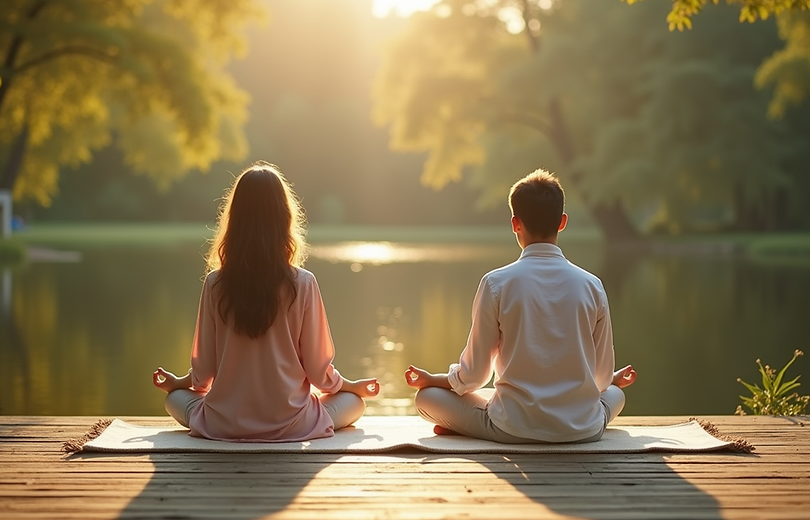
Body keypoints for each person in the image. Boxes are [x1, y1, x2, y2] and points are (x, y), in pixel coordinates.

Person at [404, 168, 636, 444]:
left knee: (427, 398)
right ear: (562, 222)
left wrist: (434, 379)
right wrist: (611, 379)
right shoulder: (592, 285)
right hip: (583, 429)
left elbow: (475, 376)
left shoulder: (495, 284)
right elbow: (599, 381)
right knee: (616, 393)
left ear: (515, 224)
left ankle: (464, 424)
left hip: (513, 429)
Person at [152, 162, 379, 442]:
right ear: (284, 218)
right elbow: (320, 376)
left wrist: (178, 383)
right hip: (292, 425)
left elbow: (203, 376)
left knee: (175, 399)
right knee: (355, 403)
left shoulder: (215, 284)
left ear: (235, 219)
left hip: (224, 424)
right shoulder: (303, 283)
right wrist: (351, 386)